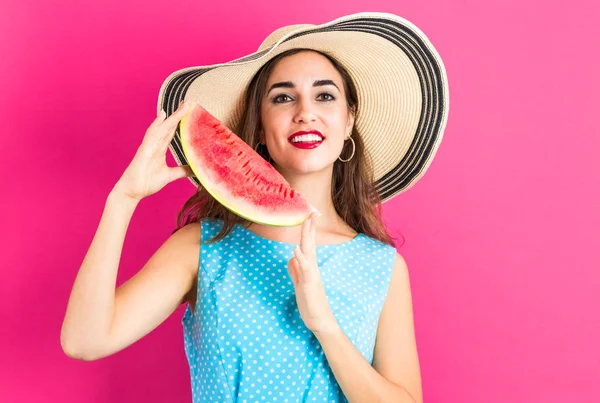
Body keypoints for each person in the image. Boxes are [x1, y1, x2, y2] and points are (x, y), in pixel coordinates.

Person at [61, 12, 449, 403]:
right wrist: (122, 200)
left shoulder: (382, 267)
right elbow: (84, 341)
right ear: (260, 128)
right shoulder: (203, 247)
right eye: (283, 97)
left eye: (325, 95)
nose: (305, 112)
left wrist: (324, 325)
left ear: (349, 121)